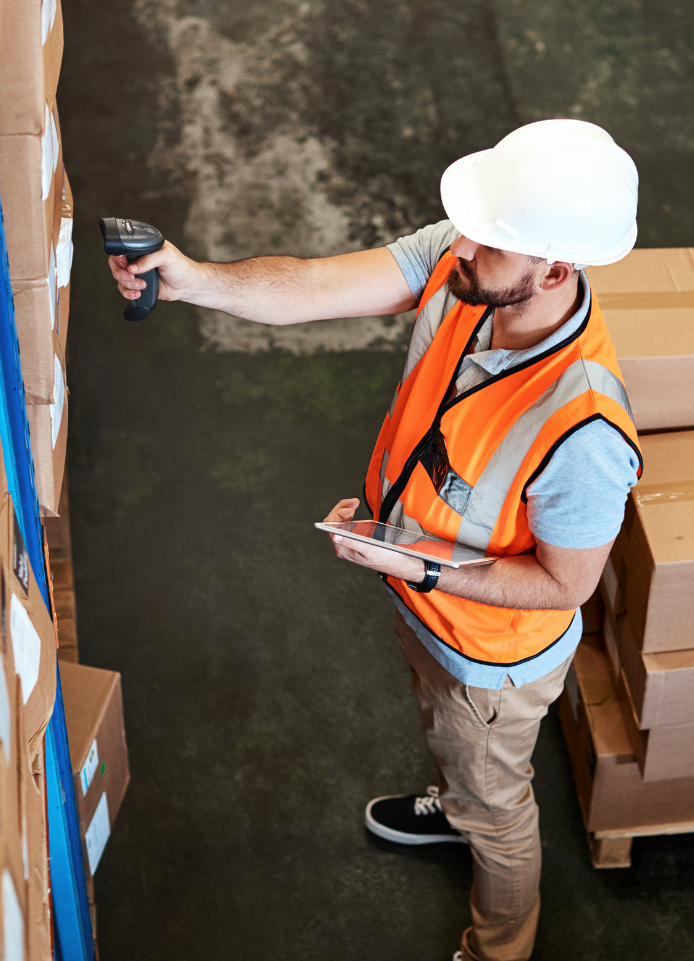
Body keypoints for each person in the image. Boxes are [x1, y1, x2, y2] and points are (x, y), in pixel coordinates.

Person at [107, 119, 643, 961]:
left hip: (490, 658)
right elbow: (315, 287)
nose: (461, 243)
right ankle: (459, 796)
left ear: (557, 268)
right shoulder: (467, 266)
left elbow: (565, 586)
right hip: (420, 595)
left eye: (490, 240)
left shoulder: (586, 434)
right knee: (449, 741)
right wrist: (191, 279)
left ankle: (499, 943)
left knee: (499, 800)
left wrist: (419, 566)